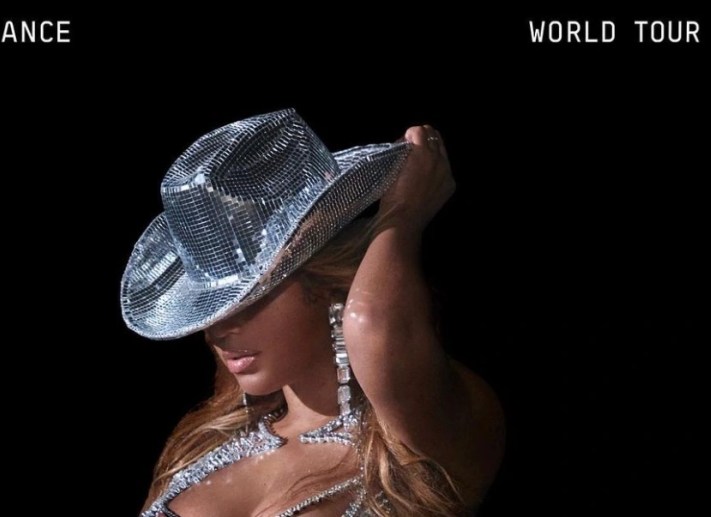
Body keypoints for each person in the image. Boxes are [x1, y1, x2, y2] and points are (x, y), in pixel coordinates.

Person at [121, 109, 505, 516]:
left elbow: (371, 323)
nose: (219, 328)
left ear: (329, 282)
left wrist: (401, 217)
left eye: (252, 296)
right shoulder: (197, 445)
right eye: (210, 307)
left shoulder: (424, 438)